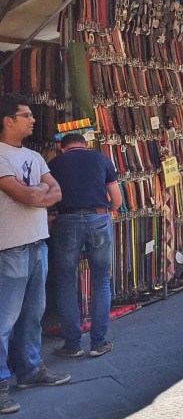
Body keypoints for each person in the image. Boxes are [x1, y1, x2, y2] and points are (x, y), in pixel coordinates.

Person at [0, 94, 70, 414]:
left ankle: (29, 370)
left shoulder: (35, 156)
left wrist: (37, 195)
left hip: (37, 242)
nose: (32, 119)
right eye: (26, 115)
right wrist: (39, 194)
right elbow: (28, 194)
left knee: (32, 313)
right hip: (10, 246)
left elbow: (55, 191)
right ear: (8, 121)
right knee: (5, 318)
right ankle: (1, 382)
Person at [48, 133, 122, 358]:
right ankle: (98, 343)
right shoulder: (101, 159)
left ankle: (72, 344)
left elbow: (48, 197)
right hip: (98, 219)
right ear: (86, 144)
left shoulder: (54, 163)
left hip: (67, 221)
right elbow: (117, 200)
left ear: (62, 147)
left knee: (66, 282)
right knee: (100, 280)